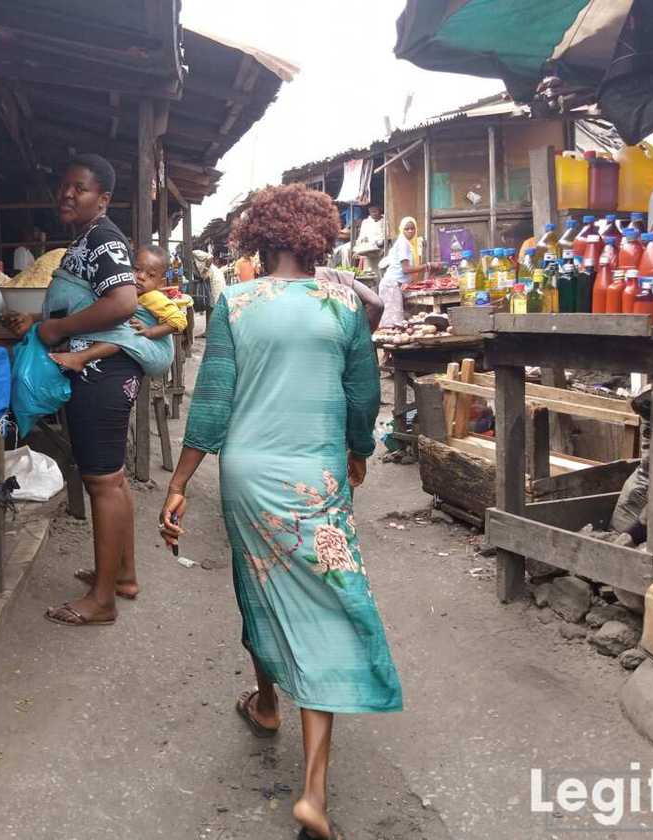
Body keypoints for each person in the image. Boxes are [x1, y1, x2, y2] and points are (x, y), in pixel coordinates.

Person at [159, 184, 403, 840]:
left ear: (259, 237)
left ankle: (266, 703)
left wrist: (180, 483)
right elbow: (362, 396)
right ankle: (314, 795)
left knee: (259, 586)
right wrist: (357, 452)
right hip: (315, 486)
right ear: (320, 238)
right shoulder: (344, 303)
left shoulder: (237, 303)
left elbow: (210, 404)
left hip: (248, 480)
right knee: (329, 601)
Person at [4, 155, 144, 625]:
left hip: (99, 372)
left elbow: (123, 302)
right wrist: (46, 323)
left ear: (102, 199)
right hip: (103, 369)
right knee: (114, 480)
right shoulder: (87, 240)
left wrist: (57, 327)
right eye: (63, 186)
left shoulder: (103, 239)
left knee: (102, 483)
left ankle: (102, 602)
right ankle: (122, 576)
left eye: (79, 188)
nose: (67, 194)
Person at [48, 244, 186, 372]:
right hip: (147, 346)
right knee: (113, 325)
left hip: (159, 353)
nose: (141, 277)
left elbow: (180, 320)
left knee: (120, 333)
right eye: (137, 269)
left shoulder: (153, 297)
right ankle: (71, 344)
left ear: (160, 283)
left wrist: (151, 331)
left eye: (150, 275)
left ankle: (81, 357)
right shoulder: (128, 292)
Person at [378, 216, 439, 327]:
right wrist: (428, 266)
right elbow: (405, 269)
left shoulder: (410, 244)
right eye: (407, 229)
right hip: (391, 285)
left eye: (412, 228)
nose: (410, 231)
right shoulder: (403, 243)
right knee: (392, 323)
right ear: (402, 230)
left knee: (396, 321)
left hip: (395, 285)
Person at [352, 204, 388, 277]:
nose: (373, 214)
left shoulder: (385, 222)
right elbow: (361, 237)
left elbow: (386, 237)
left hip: (380, 251)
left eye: (375, 211)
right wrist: (363, 240)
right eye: (371, 212)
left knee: (380, 273)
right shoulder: (366, 222)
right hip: (367, 252)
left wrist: (379, 243)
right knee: (369, 273)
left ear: (380, 210)